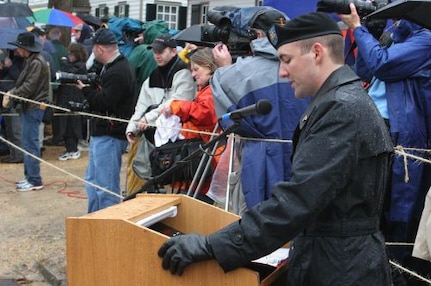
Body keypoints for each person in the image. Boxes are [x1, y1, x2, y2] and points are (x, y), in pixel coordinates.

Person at [157, 12, 394, 285]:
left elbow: (296, 202)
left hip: (340, 267)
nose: (282, 72)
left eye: (286, 60)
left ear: (317, 53)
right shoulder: (341, 100)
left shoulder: (339, 109)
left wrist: (211, 246)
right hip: (337, 259)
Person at [339, 4, 431, 281]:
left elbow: (384, 64)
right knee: (370, 205)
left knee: (399, 209)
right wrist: (371, 31)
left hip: (403, 133)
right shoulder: (397, 36)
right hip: (376, 126)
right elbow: (365, 70)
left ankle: (396, 272)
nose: (390, 17)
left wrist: (357, 28)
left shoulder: (426, 39)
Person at [209, 6, 309, 212]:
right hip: (305, 161)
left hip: (256, 164)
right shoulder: (309, 69)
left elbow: (227, 120)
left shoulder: (230, 75)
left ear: (259, 35)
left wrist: (224, 67)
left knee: (256, 228)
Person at [125, 33, 195, 193]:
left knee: (173, 185)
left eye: (161, 51)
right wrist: (132, 128)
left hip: (176, 142)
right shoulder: (151, 78)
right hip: (152, 141)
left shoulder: (184, 75)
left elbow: (176, 103)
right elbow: (141, 106)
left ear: (172, 51)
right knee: (150, 183)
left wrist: (147, 119)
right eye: (155, 52)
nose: (157, 55)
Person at [76, 28, 137, 213]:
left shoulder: (118, 71)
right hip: (102, 133)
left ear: (100, 49)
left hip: (110, 135)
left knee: (106, 187)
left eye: (93, 48)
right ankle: (93, 220)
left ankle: (109, 227)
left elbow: (104, 102)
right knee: (93, 182)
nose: (91, 52)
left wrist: (85, 90)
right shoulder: (110, 67)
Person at [159, 47, 219, 202]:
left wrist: (177, 106)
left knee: (198, 203)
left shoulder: (212, 90)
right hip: (199, 156)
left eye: (196, 69)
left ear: (208, 65)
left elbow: (204, 114)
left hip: (205, 159)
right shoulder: (206, 89)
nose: (193, 75)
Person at [4, 32, 49, 191]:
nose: (17, 51)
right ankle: (29, 176)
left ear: (25, 48)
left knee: (31, 144)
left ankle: (35, 180)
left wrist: (12, 94)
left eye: (19, 47)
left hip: (33, 108)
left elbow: (29, 87)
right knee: (27, 143)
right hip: (28, 107)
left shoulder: (36, 62)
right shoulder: (31, 61)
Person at [57, 43, 88, 161]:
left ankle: (73, 149)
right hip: (65, 97)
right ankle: (69, 148)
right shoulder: (71, 65)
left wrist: (64, 66)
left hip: (74, 98)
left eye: (71, 54)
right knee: (65, 123)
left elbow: (69, 76)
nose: (69, 56)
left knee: (72, 124)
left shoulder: (80, 66)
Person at [0, 49, 24, 163]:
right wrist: (3, 68)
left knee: (15, 129)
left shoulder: (23, 62)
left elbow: (20, 78)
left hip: (15, 98)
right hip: (5, 98)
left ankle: (19, 155)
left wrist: (10, 66)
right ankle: (13, 154)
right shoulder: (12, 60)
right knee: (9, 128)